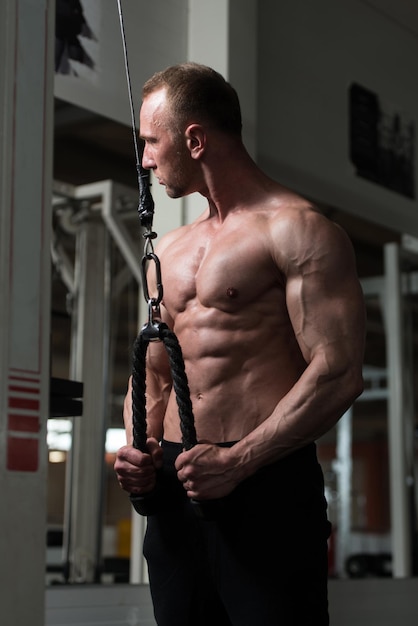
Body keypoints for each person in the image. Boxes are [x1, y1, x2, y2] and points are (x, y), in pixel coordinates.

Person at [114, 62, 365, 626]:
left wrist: (240, 461)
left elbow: (339, 371)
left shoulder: (299, 230)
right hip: (177, 493)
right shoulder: (170, 251)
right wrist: (138, 448)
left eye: (152, 142)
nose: (145, 159)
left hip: (265, 485)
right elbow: (152, 377)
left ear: (195, 139)